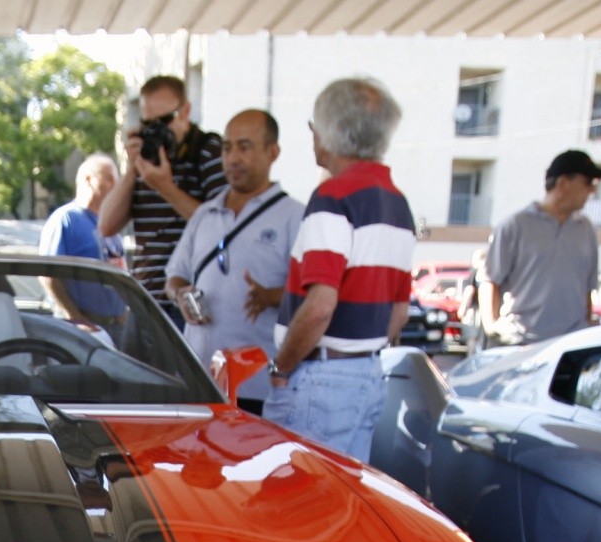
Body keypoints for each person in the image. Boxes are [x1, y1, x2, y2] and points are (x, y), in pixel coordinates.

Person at [264, 78, 414, 463]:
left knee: (298, 502)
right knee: (342, 506)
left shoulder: (333, 197)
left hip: (319, 378)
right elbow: (398, 312)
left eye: (313, 125)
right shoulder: (398, 203)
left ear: (330, 132)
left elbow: (319, 306)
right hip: (367, 374)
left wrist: (282, 368)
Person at [164, 110, 303, 412]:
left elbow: (312, 293)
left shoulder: (294, 215)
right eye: (226, 148)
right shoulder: (205, 214)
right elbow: (175, 275)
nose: (233, 158)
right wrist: (181, 294)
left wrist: (272, 297)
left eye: (245, 147)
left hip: (259, 386)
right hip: (199, 382)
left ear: (273, 152)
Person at [99, 75, 225, 314]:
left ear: (185, 111)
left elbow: (221, 226)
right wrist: (131, 169)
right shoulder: (147, 159)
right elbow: (106, 227)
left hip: (191, 302)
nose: (156, 131)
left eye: (163, 121)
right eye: (148, 124)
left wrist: (165, 188)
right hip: (145, 300)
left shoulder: (207, 151)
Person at [482, 149, 601, 345]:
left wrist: (587, 332)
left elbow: (587, 289)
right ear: (563, 183)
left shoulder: (586, 230)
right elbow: (491, 280)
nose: (592, 190)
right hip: (521, 344)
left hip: (570, 345)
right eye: (588, 182)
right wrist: (492, 327)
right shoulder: (516, 226)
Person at [40, 154, 129, 343]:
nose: (116, 185)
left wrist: (124, 313)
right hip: (83, 330)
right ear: (89, 180)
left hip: (116, 327)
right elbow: (48, 275)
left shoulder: (109, 225)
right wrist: (75, 317)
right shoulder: (66, 219)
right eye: (109, 178)